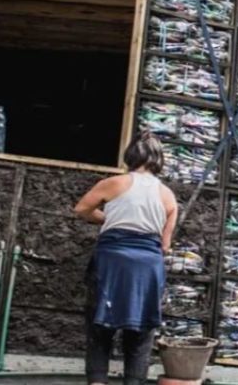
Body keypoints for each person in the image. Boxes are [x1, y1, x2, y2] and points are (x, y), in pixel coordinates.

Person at [74, 131, 179, 385]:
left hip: (112, 264)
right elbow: (165, 246)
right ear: (159, 161)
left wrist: (108, 219)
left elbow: (82, 209)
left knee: (100, 329)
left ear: (130, 156)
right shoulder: (168, 196)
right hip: (147, 268)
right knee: (141, 332)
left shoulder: (114, 183)